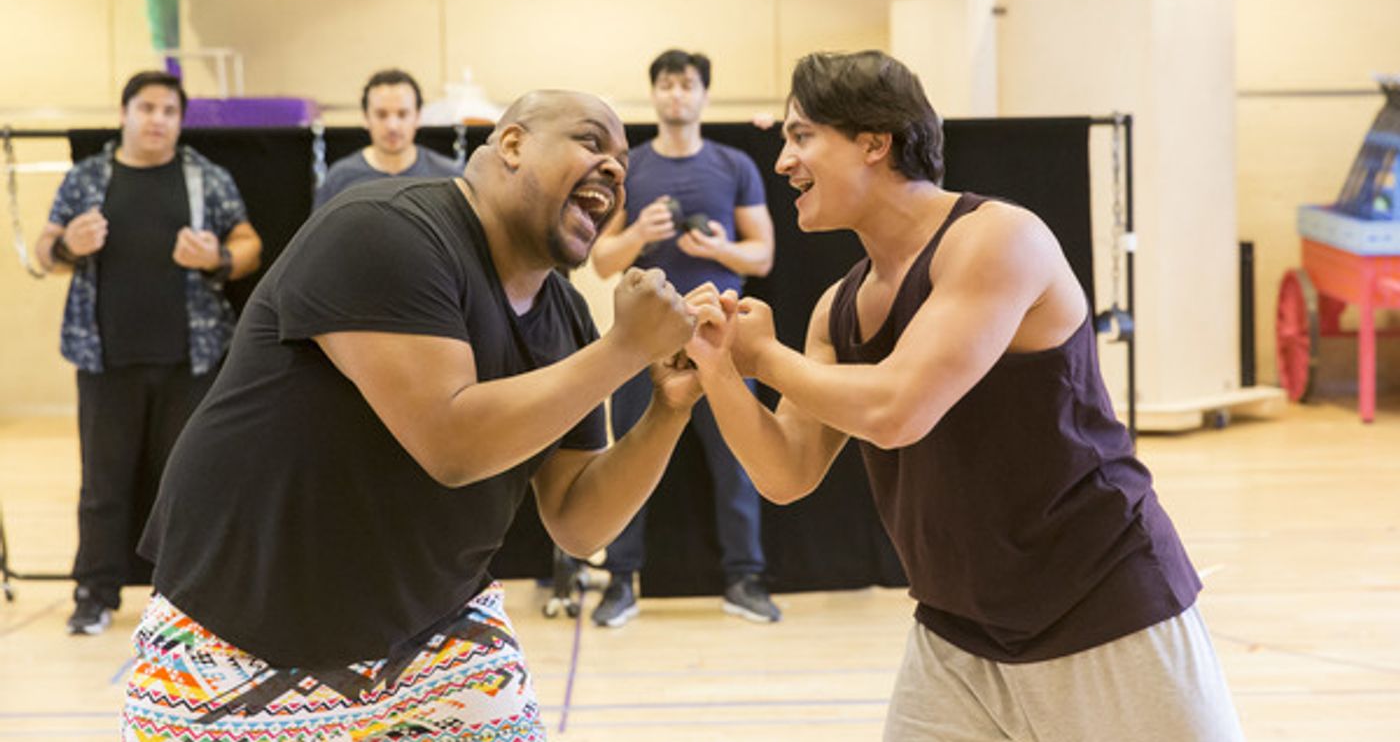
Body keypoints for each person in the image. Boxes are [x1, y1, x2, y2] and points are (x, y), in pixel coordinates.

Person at [685, 51, 1244, 740]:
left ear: (873, 140)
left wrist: (766, 358)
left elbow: (897, 410)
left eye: (801, 136)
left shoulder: (998, 238)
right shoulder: (837, 307)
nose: (783, 162)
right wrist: (718, 367)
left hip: (1104, 606)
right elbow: (786, 471)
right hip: (956, 634)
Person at [122, 90, 705, 739]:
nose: (616, 169)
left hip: (437, 631)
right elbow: (450, 440)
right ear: (511, 145)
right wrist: (623, 351)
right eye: (593, 143)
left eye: (624, 161)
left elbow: (577, 518)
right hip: (237, 630)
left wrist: (667, 410)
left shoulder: (565, 317)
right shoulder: (384, 230)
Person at [35, 70, 262, 637]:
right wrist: (67, 245)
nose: (157, 119)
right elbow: (44, 250)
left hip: (192, 359)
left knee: (185, 484)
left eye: (168, 110)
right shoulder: (89, 178)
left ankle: (183, 598)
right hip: (104, 359)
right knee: (101, 484)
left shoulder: (204, 177)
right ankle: (94, 592)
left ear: (179, 120)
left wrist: (218, 258)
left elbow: (250, 245)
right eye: (147, 107)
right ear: (124, 113)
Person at [589, 49, 778, 627]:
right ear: (654, 94)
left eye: (687, 85)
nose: (676, 95)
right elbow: (601, 261)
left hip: (720, 334)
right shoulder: (629, 167)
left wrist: (718, 249)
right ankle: (620, 583)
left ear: (704, 95)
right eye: (666, 85)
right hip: (643, 338)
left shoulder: (734, 164)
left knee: (738, 462)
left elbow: (762, 255)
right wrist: (640, 233)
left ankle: (744, 580)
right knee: (626, 457)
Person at [313, 68, 461, 209]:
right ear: (366, 117)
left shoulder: (448, 178)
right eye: (381, 115)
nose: (392, 126)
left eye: (402, 114)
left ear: (418, 116)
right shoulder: (339, 178)